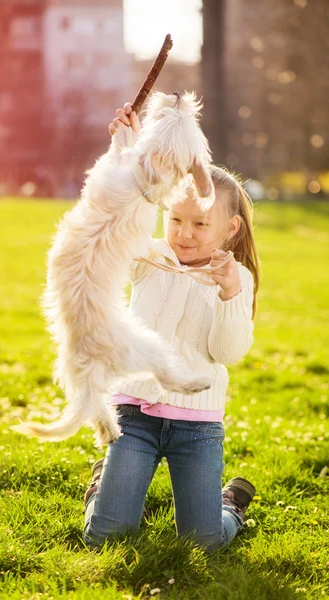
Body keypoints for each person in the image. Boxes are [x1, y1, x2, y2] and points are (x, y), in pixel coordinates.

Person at [83, 103, 260, 552]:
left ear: (230, 227)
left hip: (197, 427)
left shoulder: (237, 278)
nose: (185, 233)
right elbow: (118, 208)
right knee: (105, 536)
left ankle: (230, 506)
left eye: (201, 223)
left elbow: (228, 352)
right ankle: (106, 487)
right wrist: (127, 146)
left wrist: (228, 296)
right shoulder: (149, 256)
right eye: (176, 219)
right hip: (135, 417)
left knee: (202, 544)